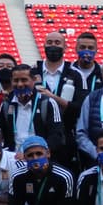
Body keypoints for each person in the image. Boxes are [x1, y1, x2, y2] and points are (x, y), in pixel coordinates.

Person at [31, 30, 82, 167]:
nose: (53, 45)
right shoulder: (32, 72)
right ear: (44, 45)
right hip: (37, 137)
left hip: (66, 138)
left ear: (65, 47)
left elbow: (79, 107)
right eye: (49, 42)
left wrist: (53, 98)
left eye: (57, 43)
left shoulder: (76, 74)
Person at [0, 64, 66, 158]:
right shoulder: (6, 105)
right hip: (13, 161)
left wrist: (34, 155)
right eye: (16, 80)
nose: (20, 84)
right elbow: (2, 135)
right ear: (11, 81)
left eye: (24, 80)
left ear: (34, 80)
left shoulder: (47, 103)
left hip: (39, 161)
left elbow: (57, 136)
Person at [71, 31, 103, 96]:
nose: (86, 51)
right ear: (76, 49)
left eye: (90, 48)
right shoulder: (69, 71)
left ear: (96, 50)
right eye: (82, 47)